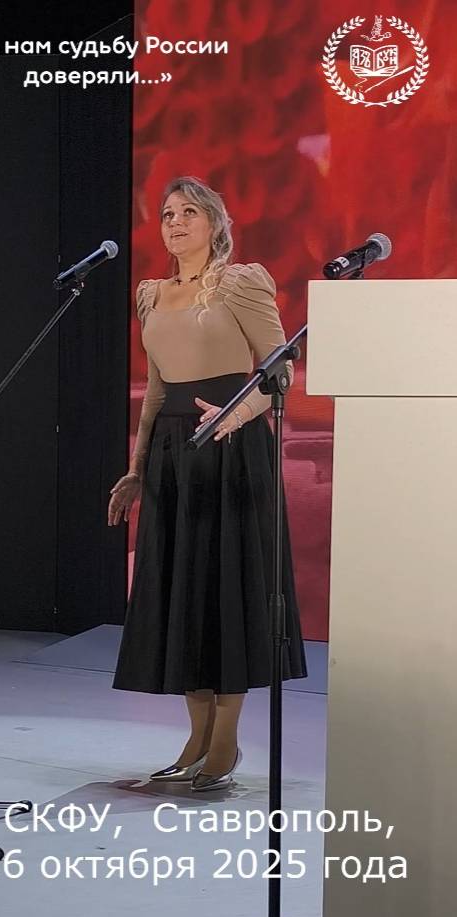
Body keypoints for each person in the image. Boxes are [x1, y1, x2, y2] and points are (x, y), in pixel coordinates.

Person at [108, 176, 307, 792]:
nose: (176, 222)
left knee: (227, 587)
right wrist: (137, 468)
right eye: (168, 213)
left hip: (232, 448)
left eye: (190, 212)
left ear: (216, 222)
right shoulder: (150, 294)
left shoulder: (242, 282)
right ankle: (196, 736)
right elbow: (156, 390)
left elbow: (280, 370)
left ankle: (224, 740)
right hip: (174, 454)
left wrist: (235, 417)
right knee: (182, 591)